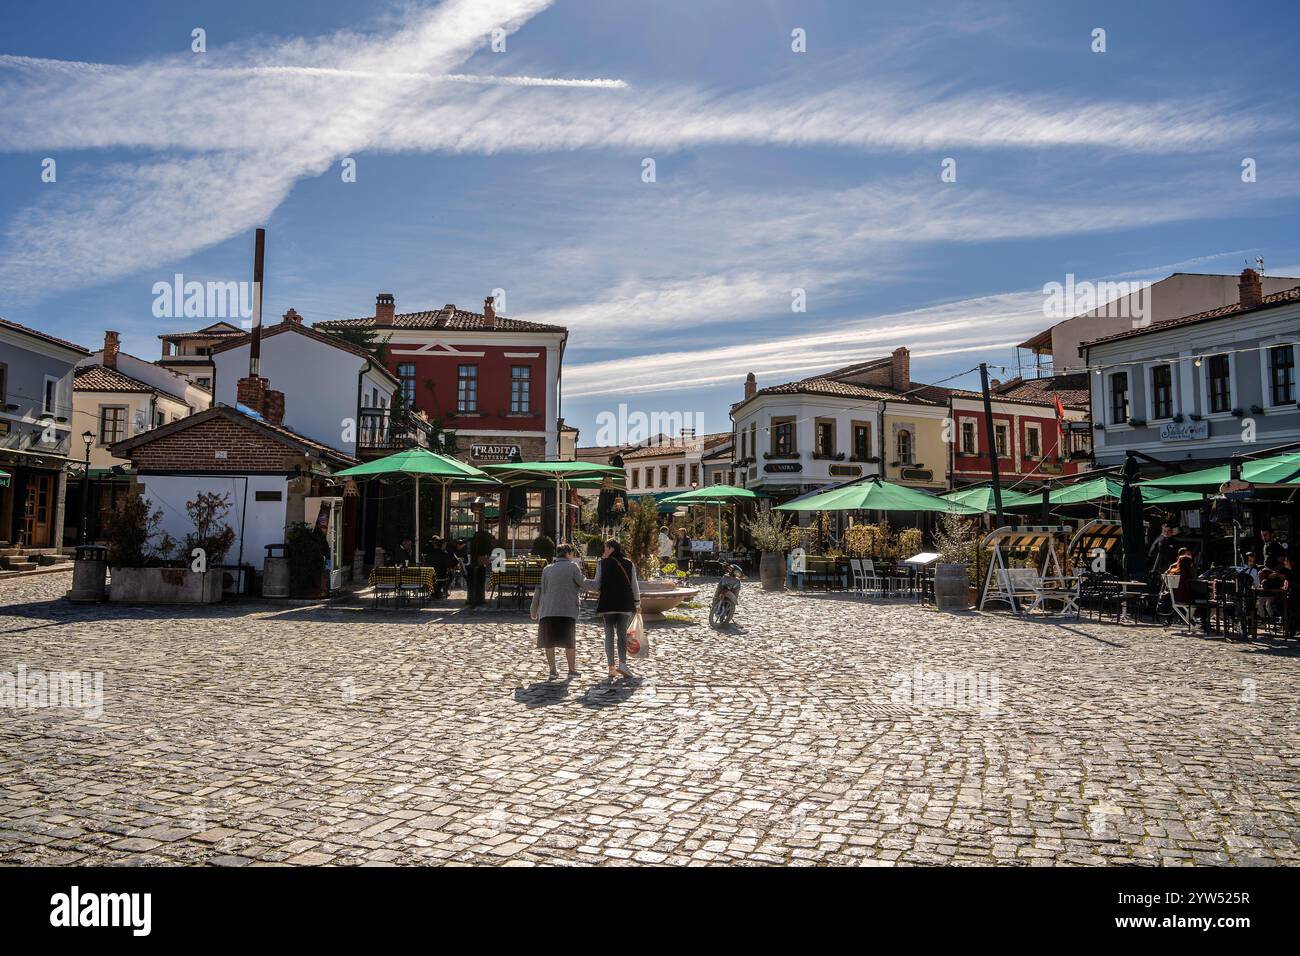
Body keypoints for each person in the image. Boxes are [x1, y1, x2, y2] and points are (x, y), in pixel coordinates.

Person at [585, 539, 640, 683]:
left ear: (610, 549)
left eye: (605, 547)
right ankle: (623, 664)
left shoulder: (601, 564)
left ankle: (611, 667)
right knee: (621, 635)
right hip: (625, 603)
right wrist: (637, 603)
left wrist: (582, 582)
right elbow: (634, 585)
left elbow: (596, 585)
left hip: (608, 603)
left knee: (609, 635)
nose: (604, 550)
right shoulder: (629, 563)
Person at [530, 544, 587, 679]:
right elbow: (583, 583)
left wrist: (536, 609)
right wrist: (598, 586)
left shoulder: (547, 569)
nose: (573, 556)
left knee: (549, 641)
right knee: (569, 641)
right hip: (567, 610)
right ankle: (572, 669)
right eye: (572, 553)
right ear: (568, 553)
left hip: (548, 610)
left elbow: (542, 590)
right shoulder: (573, 567)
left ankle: (553, 670)